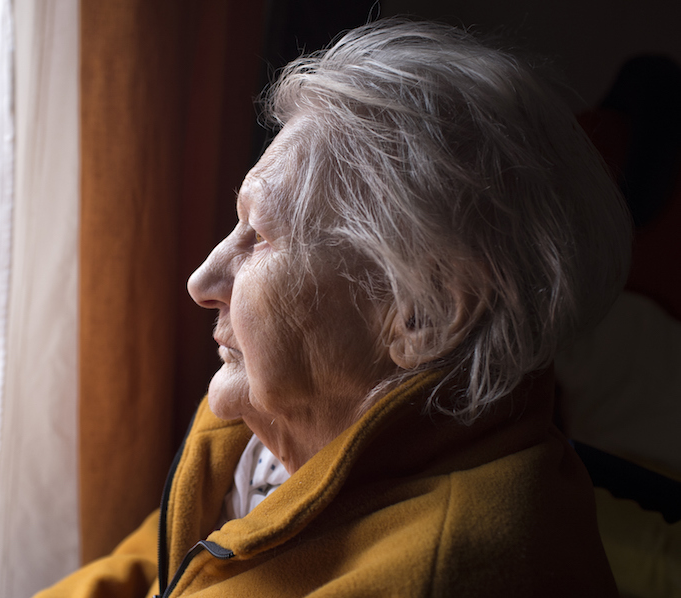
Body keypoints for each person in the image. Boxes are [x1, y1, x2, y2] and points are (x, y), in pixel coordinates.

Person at [37, 18, 630, 597]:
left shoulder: (438, 571)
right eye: (235, 223)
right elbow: (156, 567)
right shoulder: (262, 426)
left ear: (422, 312)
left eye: (261, 235)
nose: (203, 280)